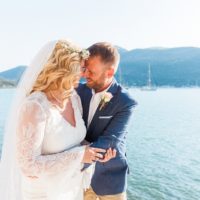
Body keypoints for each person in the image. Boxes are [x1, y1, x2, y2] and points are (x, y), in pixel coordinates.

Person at [0, 40, 116, 200]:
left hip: (72, 189)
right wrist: (80, 156)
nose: (84, 74)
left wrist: (96, 153)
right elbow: (28, 166)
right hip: (43, 194)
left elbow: (74, 142)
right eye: (81, 68)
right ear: (64, 70)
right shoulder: (35, 106)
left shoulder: (73, 98)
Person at [77, 42, 137, 200]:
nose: (85, 75)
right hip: (79, 180)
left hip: (110, 179)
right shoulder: (77, 92)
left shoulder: (125, 101)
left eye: (91, 71)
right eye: (85, 69)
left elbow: (110, 141)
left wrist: (70, 162)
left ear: (110, 72)